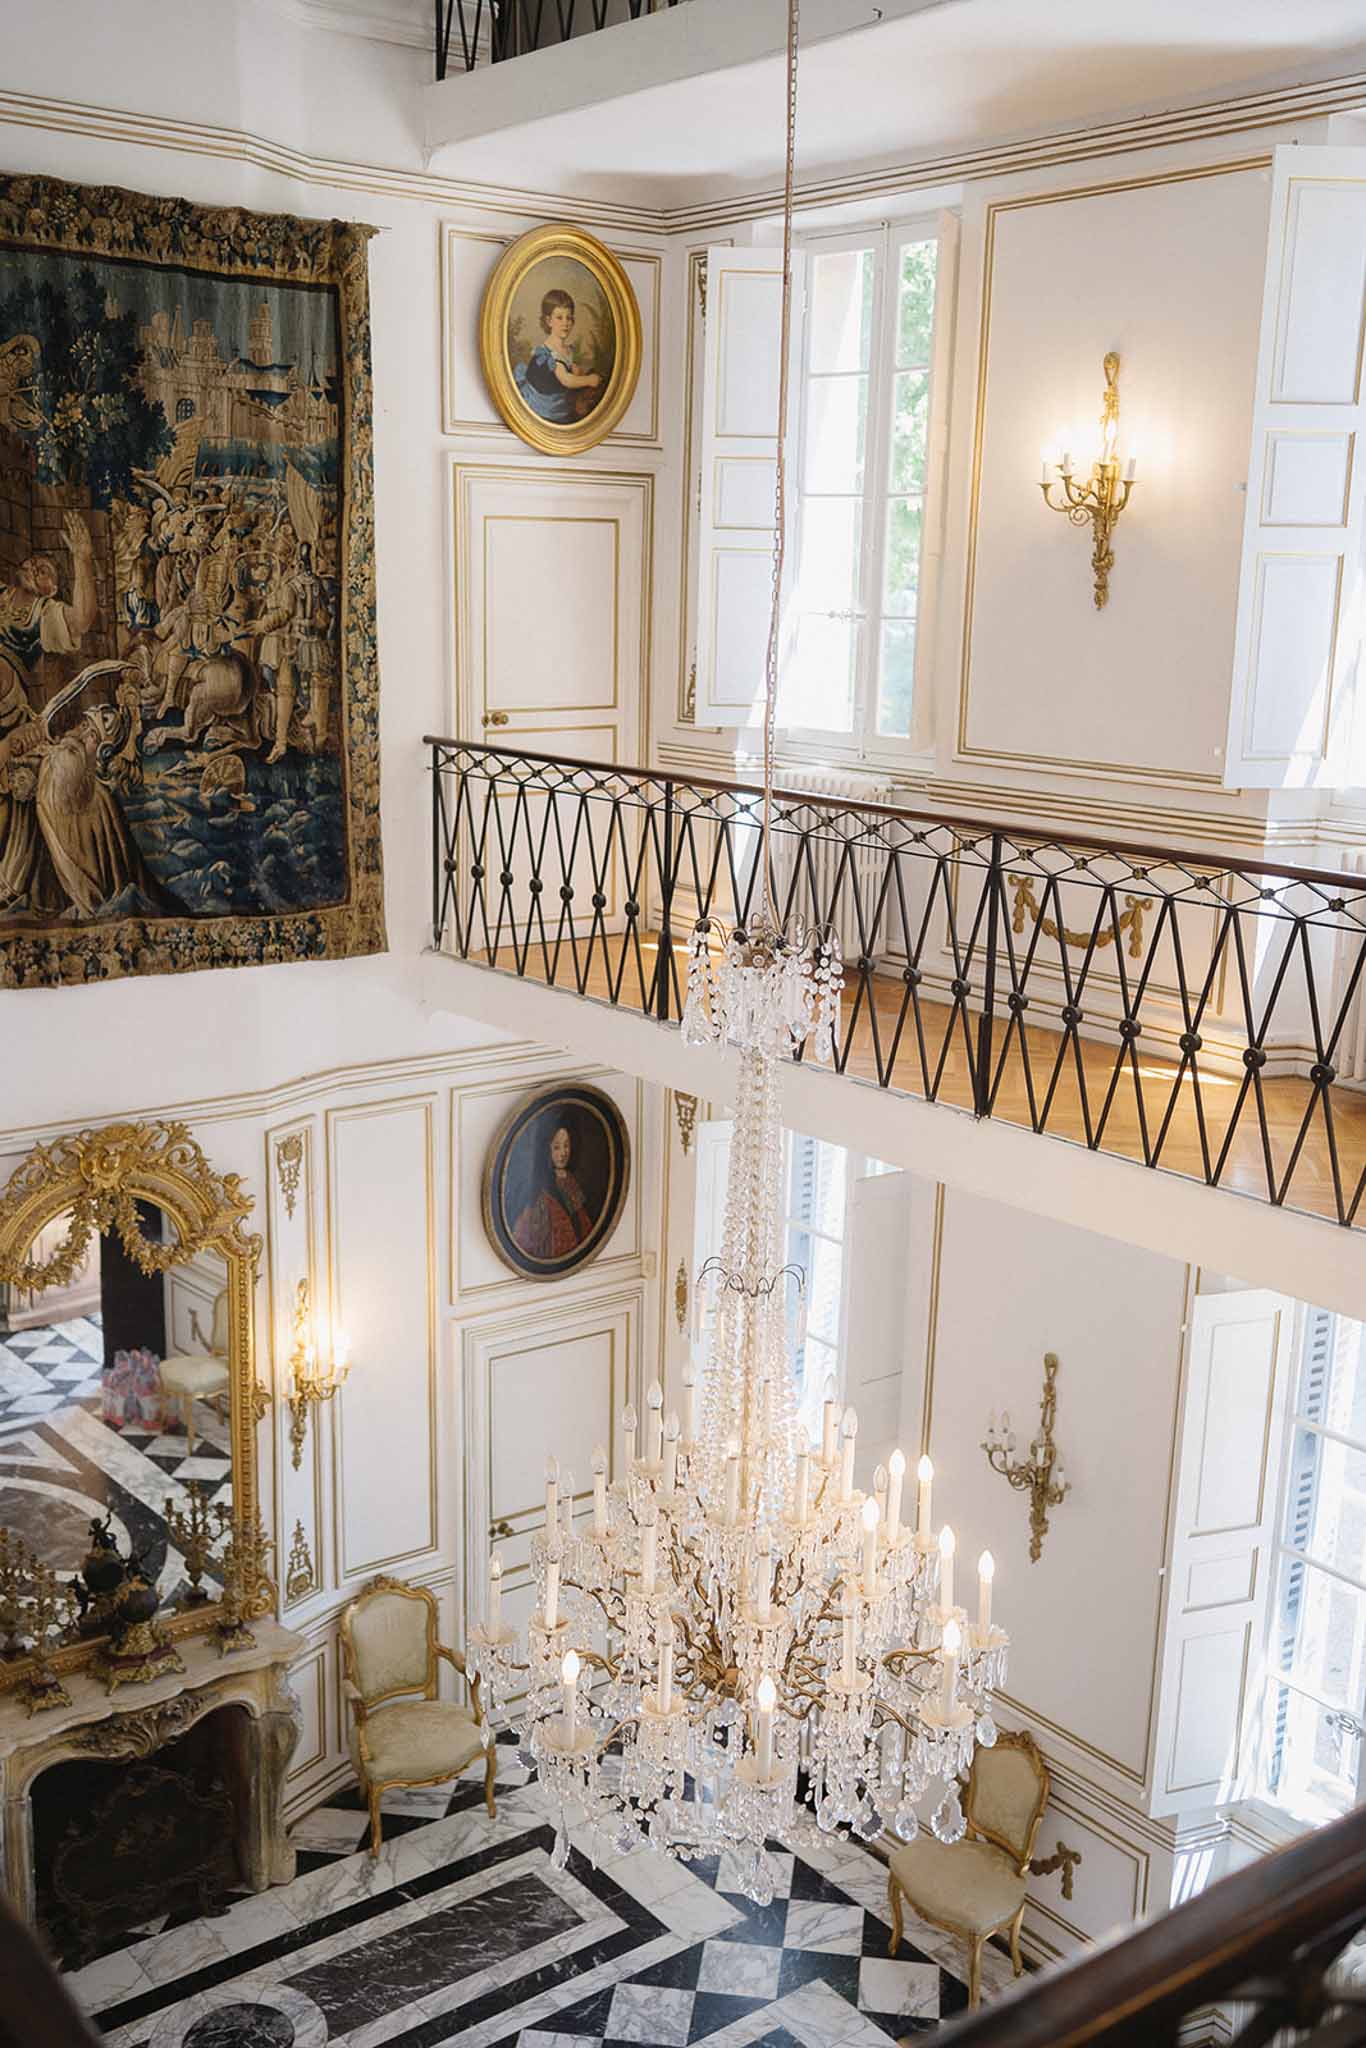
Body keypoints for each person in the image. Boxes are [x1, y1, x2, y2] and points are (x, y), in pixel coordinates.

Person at [0, 513, 97, 912]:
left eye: (46, 569)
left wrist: (83, 559)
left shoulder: (40, 613)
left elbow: (83, 619)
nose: (36, 564)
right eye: (33, 562)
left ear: (50, 587)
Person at [513, 290, 603, 426]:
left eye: (569, 318)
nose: (566, 323)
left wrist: (575, 369)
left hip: (560, 402)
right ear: (549, 321)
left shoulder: (566, 349)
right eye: (559, 318)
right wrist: (589, 380)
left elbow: (569, 367)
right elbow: (566, 380)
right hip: (545, 408)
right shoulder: (549, 353)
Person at [511, 1123, 595, 1260]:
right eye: (557, 1147)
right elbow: (524, 1236)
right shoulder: (538, 1189)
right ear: (546, 1149)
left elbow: (582, 1219)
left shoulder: (569, 1180)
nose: (563, 1153)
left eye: (566, 1145)